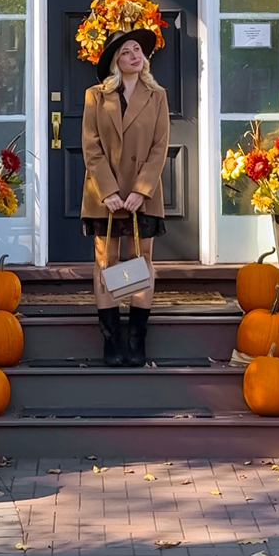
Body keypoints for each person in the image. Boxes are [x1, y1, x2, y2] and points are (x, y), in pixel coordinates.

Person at [80, 27, 170, 367]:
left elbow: (160, 146)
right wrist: (109, 192)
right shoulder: (95, 96)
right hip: (104, 195)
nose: (136, 55)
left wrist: (139, 190)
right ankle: (111, 340)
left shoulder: (157, 95)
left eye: (138, 50)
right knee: (107, 260)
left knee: (141, 259)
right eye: (127, 51)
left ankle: (136, 339)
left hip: (142, 195)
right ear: (116, 60)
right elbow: (91, 146)